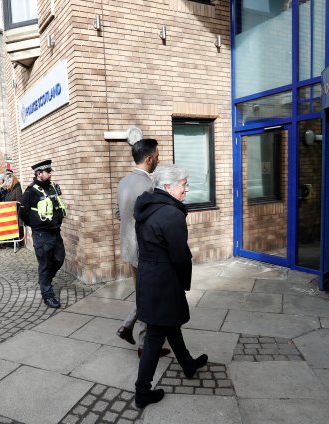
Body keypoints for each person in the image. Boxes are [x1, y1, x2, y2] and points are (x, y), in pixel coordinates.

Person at [133, 164, 208, 409]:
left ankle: (187, 363)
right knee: (156, 334)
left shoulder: (147, 206)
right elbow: (179, 256)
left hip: (150, 275)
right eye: (183, 185)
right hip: (163, 279)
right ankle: (142, 391)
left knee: (170, 324)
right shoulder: (171, 214)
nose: (186, 189)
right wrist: (185, 282)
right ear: (167, 187)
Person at [114, 138, 170, 358]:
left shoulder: (123, 182)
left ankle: (128, 328)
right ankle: (144, 344)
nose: (159, 158)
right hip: (147, 251)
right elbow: (156, 223)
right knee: (151, 295)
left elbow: (118, 213)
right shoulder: (150, 186)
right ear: (149, 159)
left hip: (129, 248)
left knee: (142, 292)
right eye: (157, 155)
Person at [19, 159, 67, 308]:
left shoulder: (52, 187)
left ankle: (44, 280)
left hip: (55, 232)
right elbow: (22, 213)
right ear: (39, 173)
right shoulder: (30, 192)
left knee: (59, 258)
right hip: (41, 235)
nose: (50, 174)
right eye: (48, 172)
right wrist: (34, 225)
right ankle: (48, 295)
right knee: (45, 265)